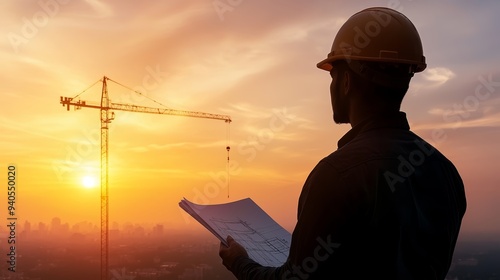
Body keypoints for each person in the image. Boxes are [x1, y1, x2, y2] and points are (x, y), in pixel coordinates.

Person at [219, 7, 466, 279]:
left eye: (333, 75)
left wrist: (240, 262)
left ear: (346, 81)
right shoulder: (446, 173)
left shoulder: (337, 175)